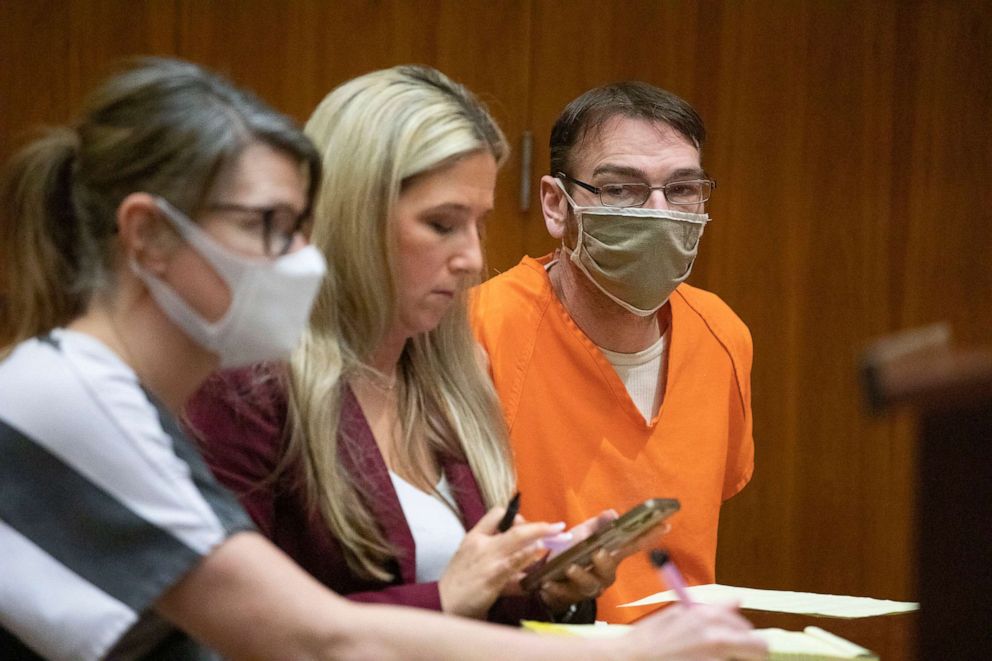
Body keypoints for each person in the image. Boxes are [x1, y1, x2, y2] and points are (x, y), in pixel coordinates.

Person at [0, 57, 769, 660]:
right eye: (270, 225)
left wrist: (541, 590)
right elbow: (304, 637)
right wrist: (627, 653)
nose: (299, 254)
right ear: (149, 237)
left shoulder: (440, 376)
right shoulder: (69, 391)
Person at [186, 65, 624, 625]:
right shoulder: (246, 385)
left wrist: (548, 591)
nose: (470, 258)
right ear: (355, 218)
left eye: (478, 225)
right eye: (442, 225)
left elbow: (467, 596)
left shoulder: (448, 373)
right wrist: (443, 599)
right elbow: (227, 626)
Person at [470, 82, 755, 623]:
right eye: (622, 188)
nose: (658, 211)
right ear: (557, 204)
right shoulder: (478, 329)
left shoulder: (723, 334)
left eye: (682, 189)